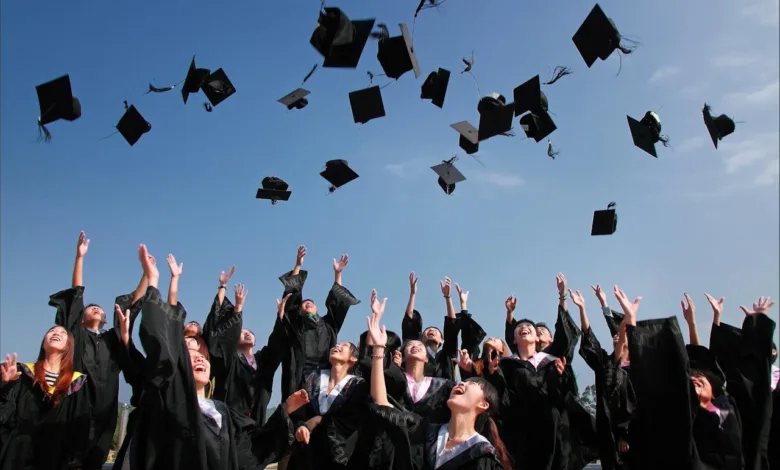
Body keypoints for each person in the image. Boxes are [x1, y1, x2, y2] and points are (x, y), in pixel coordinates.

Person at [115, 244, 308, 470]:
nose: (198, 359)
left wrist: (284, 411)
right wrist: (155, 283)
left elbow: (247, 452)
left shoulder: (219, 412)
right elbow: (163, 338)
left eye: (202, 356)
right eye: (188, 351)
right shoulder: (167, 398)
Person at [366, 290, 512, 470]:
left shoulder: (484, 455)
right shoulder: (425, 431)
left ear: (483, 404)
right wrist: (378, 349)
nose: (462, 383)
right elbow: (382, 403)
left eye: (471, 383)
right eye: (463, 382)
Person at [47, 231, 139, 470]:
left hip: (105, 410)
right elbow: (76, 295)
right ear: (81, 317)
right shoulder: (75, 336)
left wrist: (147, 275)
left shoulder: (112, 339)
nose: (96, 309)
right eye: (91, 308)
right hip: (75, 406)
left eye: (99, 308)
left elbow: (131, 307)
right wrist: (80, 257)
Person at [275, 245, 361, 401]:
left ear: (316, 308)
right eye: (304, 303)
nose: (308, 304)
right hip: (298, 375)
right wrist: (298, 266)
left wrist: (338, 274)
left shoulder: (328, 325)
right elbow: (291, 299)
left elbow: (337, 303)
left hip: (324, 377)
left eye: (311, 303)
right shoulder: (296, 323)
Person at [0, 326, 91, 469]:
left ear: (69, 346)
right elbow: (4, 415)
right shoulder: (21, 374)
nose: (56, 333)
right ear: (43, 343)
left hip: (56, 458)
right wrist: (5, 385)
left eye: (63, 333)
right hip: (17, 455)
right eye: (52, 331)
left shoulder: (77, 383)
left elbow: (80, 428)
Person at [287, 338, 368, 470]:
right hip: (307, 453)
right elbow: (299, 411)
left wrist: (321, 420)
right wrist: (301, 426)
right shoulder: (311, 378)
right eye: (337, 344)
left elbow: (353, 419)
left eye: (344, 345)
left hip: (337, 455)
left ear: (353, 359)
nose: (337, 345)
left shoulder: (358, 385)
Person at [401, 273, 460, 379]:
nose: (431, 331)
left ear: (442, 340)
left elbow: (452, 326)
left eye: (435, 331)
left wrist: (447, 297)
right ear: (421, 339)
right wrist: (413, 294)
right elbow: (409, 324)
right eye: (427, 331)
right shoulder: (414, 352)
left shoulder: (446, 356)